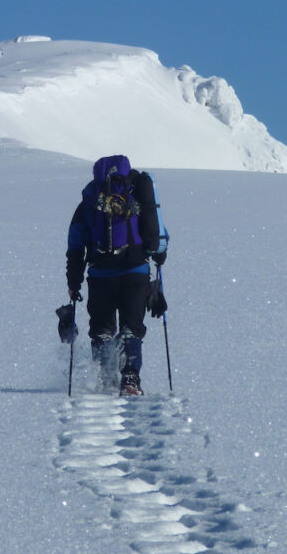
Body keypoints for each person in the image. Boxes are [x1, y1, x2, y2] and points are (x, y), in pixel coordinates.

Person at [66, 155, 168, 396]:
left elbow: (75, 245)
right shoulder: (139, 195)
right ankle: (130, 379)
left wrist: (73, 282)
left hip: (100, 274)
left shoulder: (90, 201)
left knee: (102, 329)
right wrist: (159, 260)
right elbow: (159, 233)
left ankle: (106, 378)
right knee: (131, 328)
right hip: (136, 272)